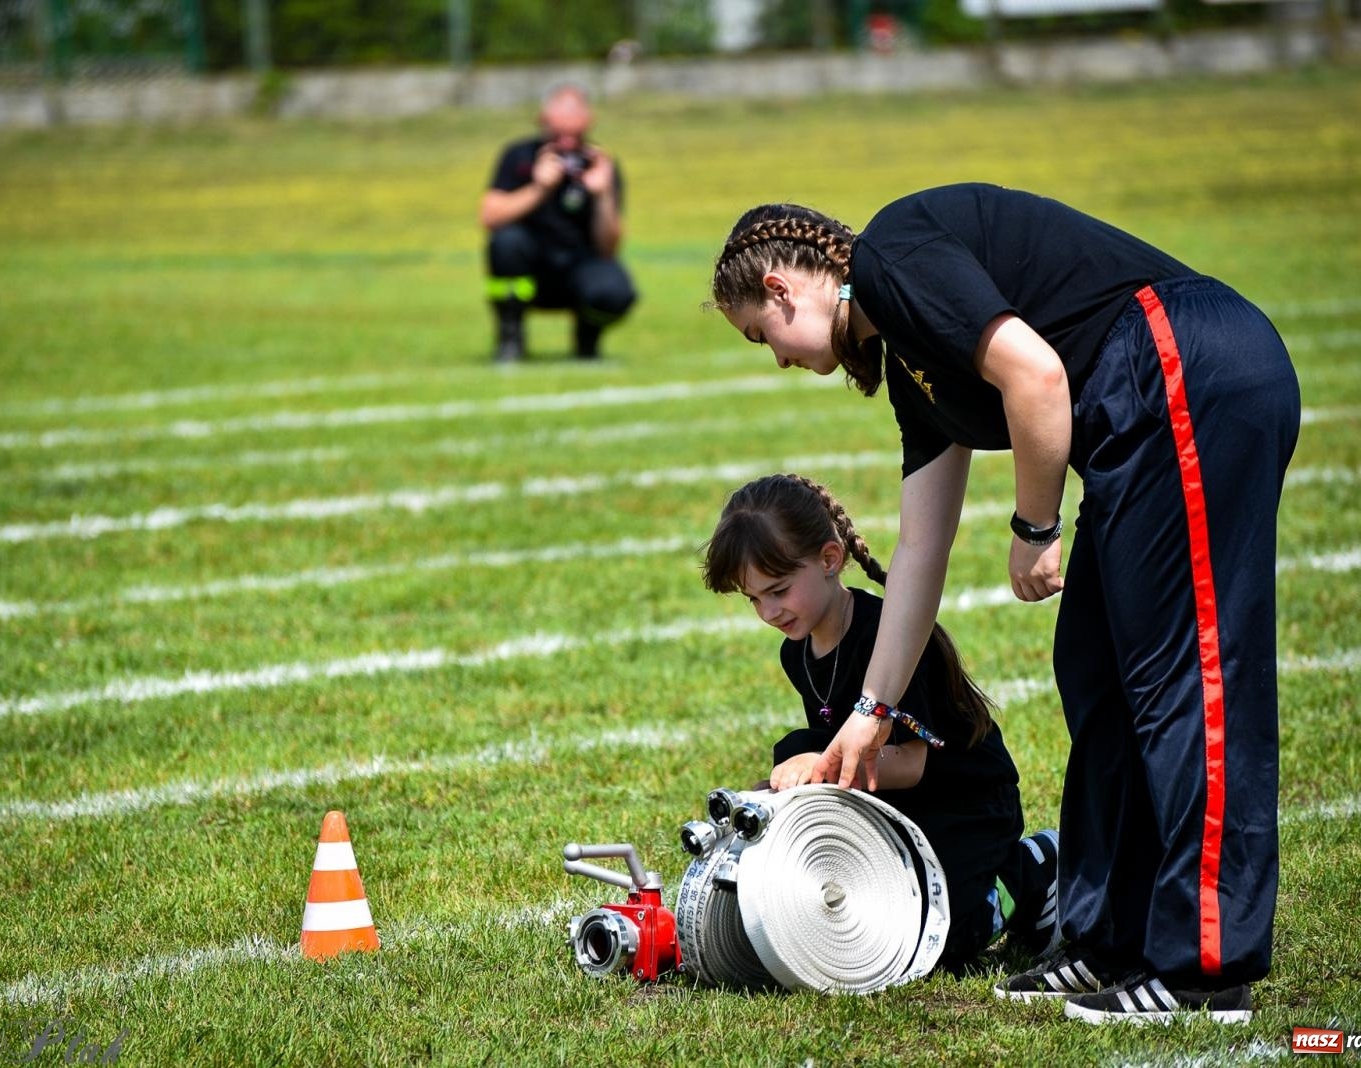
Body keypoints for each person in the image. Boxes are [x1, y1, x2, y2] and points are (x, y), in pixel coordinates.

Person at [707, 185, 1301, 1024]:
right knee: (1096, 674)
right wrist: (871, 713)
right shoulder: (914, 363)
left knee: (1184, 682)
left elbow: (1037, 371)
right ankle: (1109, 941)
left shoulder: (893, 254)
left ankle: (1206, 966)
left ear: (781, 291)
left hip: (1184, 364)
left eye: (759, 335)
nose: (774, 357)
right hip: (1143, 403)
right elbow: (919, 552)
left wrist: (1035, 523)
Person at [703, 472, 1060, 973]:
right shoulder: (797, 653)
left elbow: (913, 764)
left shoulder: (884, 635)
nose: (768, 611)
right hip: (898, 800)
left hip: (965, 801)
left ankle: (1032, 868)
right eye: (754, 598)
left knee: (945, 941)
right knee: (799, 755)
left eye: (779, 590)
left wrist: (821, 767)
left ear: (830, 560)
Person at [479, 82, 636, 363]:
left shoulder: (600, 164)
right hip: (531, 272)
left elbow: (610, 248)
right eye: (558, 134)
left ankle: (587, 340)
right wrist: (538, 189)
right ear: (543, 120)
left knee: (615, 290)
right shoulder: (519, 157)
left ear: (588, 122)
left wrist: (602, 196)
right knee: (506, 243)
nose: (566, 143)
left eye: (573, 134)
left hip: (578, 269)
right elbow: (489, 216)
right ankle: (510, 337)